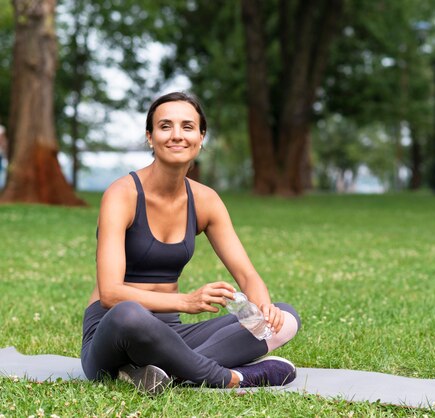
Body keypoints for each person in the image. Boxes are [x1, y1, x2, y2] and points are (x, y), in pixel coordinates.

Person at [80, 92, 300, 394]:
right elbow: (110, 294)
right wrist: (186, 301)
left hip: (173, 332)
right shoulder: (122, 195)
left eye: (187, 126)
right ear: (150, 137)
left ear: (200, 136)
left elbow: (247, 275)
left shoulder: (206, 200)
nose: (176, 135)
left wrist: (263, 309)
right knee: (129, 312)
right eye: (165, 126)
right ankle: (232, 378)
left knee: (285, 317)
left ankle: (153, 373)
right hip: (114, 333)